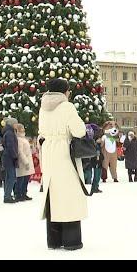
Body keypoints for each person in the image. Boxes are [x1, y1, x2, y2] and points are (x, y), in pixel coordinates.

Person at [39, 78, 87, 251]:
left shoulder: (43, 107)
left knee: (53, 194)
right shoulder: (67, 106)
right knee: (69, 196)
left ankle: (54, 239)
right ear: (64, 91)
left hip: (49, 152)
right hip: (64, 153)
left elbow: (41, 131)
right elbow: (79, 130)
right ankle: (71, 240)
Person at [14, 123, 33, 202]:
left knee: (25, 179)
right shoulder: (18, 139)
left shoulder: (23, 138)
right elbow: (20, 152)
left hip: (27, 160)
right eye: (21, 129)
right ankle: (18, 194)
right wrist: (26, 162)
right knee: (21, 179)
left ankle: (24, 193)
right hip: (23, 162)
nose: (23, 130)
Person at [2, 117, 19, 203]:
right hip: (9, 158)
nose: (17, 125)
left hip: (8, 157)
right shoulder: (9, 133)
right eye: (16, 123)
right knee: (11, 177)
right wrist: (15, 156)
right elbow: (10, 146)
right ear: (12, 124)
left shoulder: (10, 132)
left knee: (9, 177)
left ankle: (7, 195)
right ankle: (7, 196)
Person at [83, 124, 103, 192]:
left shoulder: (97, 144)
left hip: (98, 161)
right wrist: (97, 159)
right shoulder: (95, 144)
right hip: (96, 161)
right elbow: (97, 153)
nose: (101, 139)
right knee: (97, 175)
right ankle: (94, 187)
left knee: (98, 174)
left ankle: (95, 187)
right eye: (100, 138)